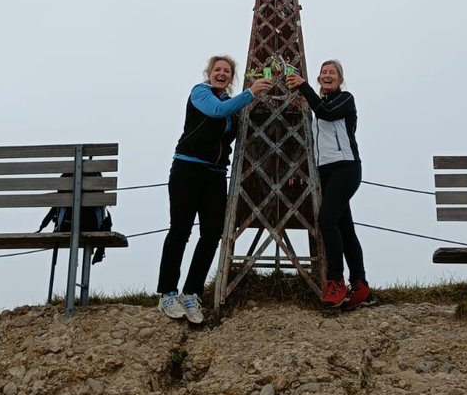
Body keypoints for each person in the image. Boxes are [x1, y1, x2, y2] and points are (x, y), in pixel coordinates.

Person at [157, 55, 272, 323]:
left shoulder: (231, 105)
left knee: (211, 234)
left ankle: (191, 293)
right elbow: (216, 112)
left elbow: (237, 122)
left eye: (227, 71)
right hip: (188, 169)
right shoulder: (201, 93)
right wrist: (251, 92)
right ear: (209, 73)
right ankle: (167, 293)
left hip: (215, 175)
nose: (221, 74)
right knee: (180, 230)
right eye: (217, 69)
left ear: (231, 77)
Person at [286, 60, 371, 309]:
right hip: (325, 172)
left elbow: (327, 112)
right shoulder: (317, 110)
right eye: (323, 72)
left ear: (340, 79)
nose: (327, 75)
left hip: (346, 167)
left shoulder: (345, 99)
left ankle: (336, 281)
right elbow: (313, 142)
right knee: (344, 227)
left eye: (332, 73)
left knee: (326, 220)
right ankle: (360, 285)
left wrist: (303, 87)